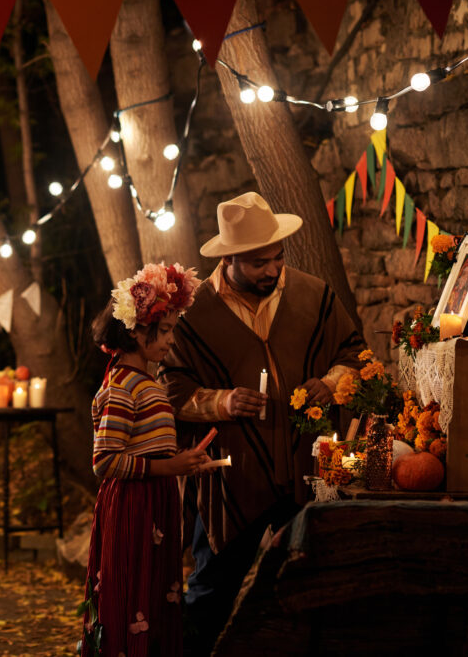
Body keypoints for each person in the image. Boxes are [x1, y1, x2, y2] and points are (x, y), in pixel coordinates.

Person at [157, 191, 364, 656]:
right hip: (231, 478)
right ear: (230, 258)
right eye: (257, 263)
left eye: (277, 258)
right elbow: (167, 387)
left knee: (314, 589)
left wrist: (330, 384)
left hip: (308, 470)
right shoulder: (191, 315)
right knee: (210, 592)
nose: (272, 270)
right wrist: (223, 402)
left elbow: (356, 354)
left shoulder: (315, 295)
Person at [81, 263, 211, 657]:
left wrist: (182, 461)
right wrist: (168, 468)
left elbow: (146, 445)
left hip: (155, 506)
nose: (171, 340)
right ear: (136, 329)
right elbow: (105, 461)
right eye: (165, 330)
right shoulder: (123, 385)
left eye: (173, 329)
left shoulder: (146, 382)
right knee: (130, 592)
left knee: (155, 596)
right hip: (132, 509)